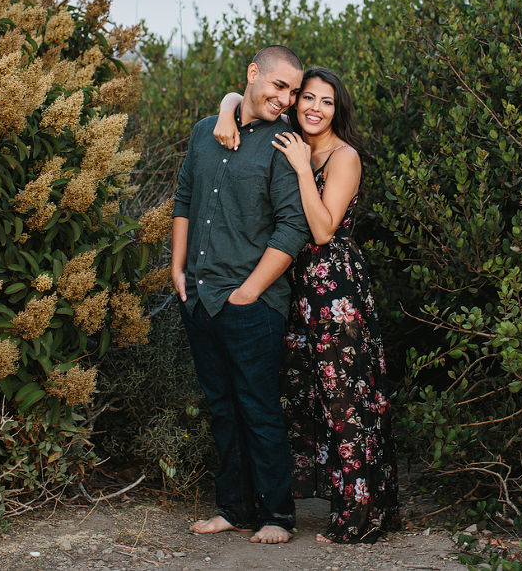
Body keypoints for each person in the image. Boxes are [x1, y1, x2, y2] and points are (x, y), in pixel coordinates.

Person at [213, 66, 401, 543]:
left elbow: (321, 230)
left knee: (347, 401)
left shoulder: (343, 157)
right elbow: (243, 95)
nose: (315, 108)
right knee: (308, 398)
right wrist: (225, 108)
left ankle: (361, 518)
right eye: (307, 98)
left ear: (339, 109)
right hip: (296, 292)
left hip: (336, 291)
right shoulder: (287, 139)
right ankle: (313, 503)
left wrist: (302, 169)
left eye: (327, 101)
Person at [171, 45, 311, 545]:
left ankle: (277, 516)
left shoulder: (284, 143)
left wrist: (251, 291)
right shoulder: (207, 129)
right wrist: (176, 266)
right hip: (200, 298)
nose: (286, 99)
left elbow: (293, 227)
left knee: (258, 408)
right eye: (279, 86)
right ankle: (233, 508)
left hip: (252, 304)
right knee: (220, 407)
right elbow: (184, 197)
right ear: (254, 75)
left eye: (293, 92)